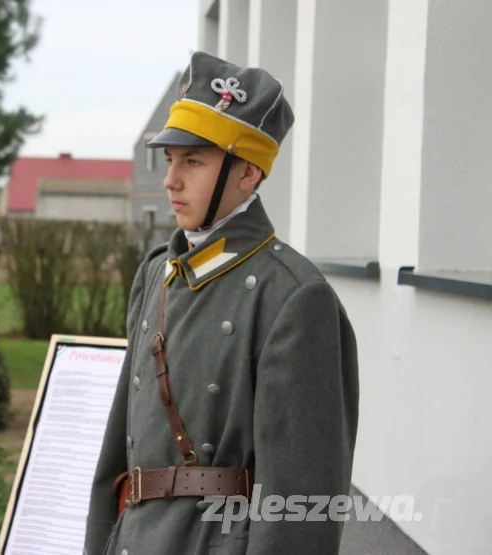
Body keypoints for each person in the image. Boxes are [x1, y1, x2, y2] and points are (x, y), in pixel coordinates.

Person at [82, 52, 360, 555]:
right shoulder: (157, 275)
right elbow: (119, 450)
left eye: (194, 161)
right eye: (171, 160)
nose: (171, 180)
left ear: (247, 172)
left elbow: (301, 502)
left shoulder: (295, 296)